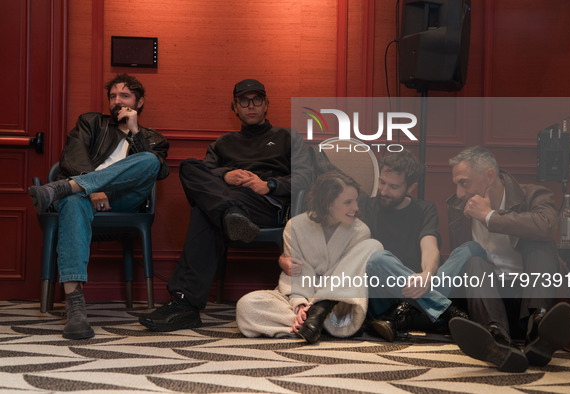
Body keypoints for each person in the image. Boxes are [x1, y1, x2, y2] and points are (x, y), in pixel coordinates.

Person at [139, 79, 313, 332]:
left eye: (257, 100)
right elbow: (202, 175)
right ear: (235, 107)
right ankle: (230, 212)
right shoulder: (223, 144)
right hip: (232, 203)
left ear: (266, 105)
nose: (251, 106)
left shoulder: (287, 137)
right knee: (189, 167)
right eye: (244, 101)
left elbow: (306, 176)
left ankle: (186, 304)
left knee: (205, 212)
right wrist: (225, 176)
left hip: (266, 205)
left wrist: (269, 185)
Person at [28, 73, 169, 340]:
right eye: (112, 96)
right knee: (72, 201)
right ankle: (75, 306)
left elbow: (158, 172)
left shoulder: (153, 139)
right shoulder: (91, 122)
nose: (117, 101)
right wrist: (94, 190)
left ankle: (66, 187)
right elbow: (72, 157)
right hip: (84, 200)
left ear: (139, 102)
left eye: (124, 96)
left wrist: (136, 133)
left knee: (149, 161)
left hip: (125, 200)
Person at [446, 146, 570, 373]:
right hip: (492, 305)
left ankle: (540, 329)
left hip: (533, 297)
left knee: (539, 242)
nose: (458, 193)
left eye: (464, 183)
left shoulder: (533, 195)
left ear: (489, 176)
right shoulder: (459, 210)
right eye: (456, 184)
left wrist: (489, 217)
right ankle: (497, 340)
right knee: (473, 261)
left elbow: (547, 226)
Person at [236, 172, 383, 343]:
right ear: (327, 204)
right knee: (246, 306)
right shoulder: (296, 227)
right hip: (300, 296)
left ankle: (316, 317)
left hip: (335, 303)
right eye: (348, 202)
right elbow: (295, 272)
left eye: (356, 201)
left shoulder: (360, 231)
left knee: (374, 246)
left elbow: (347, 277)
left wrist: (319, 301)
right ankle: (311, 322)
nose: (356, 208)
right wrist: (300, 305)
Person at [360, 149, 486, 341]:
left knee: (472, 248)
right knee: (377, 258)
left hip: (418, 287)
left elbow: (429, 246)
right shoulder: (366, 206)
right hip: (386, 294)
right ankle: (446, 310)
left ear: (411, 187)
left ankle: (409, 313)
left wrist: (426, 274)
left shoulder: (424, 209)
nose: (384, 191)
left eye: (393, 187)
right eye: (382, 182)